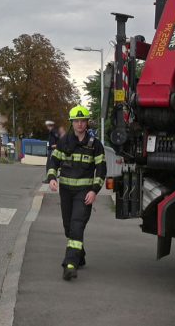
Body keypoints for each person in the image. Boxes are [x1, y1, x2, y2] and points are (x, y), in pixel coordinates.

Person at [47, 105, 106, 281]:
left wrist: (94, 191)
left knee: (77, 225)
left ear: (87, 123)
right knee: (69, 228)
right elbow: (53, 162)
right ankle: (79, 256)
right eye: (76, 121)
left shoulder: (95, 145)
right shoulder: (64, 142)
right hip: (65, 192)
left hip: (84, 193)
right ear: (72, 123)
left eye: (83, 121)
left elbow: (101, 170)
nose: (80, 124)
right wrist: (51, 177)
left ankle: (70, 264)